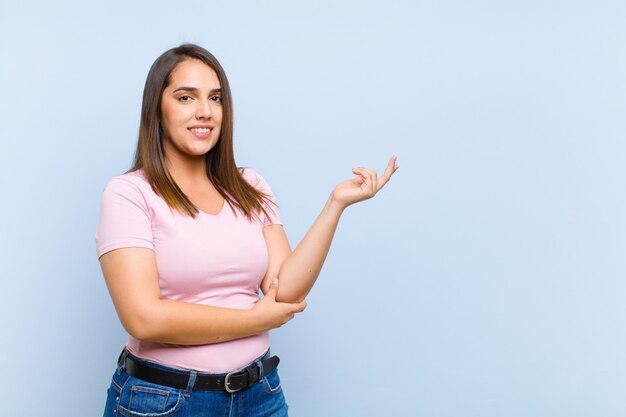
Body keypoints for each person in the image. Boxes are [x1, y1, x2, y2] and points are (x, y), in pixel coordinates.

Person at [96, 43, 398, 417]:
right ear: (158, 108)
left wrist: (334, 206)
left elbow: (285, 290)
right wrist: (256, 319)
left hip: (259, 395)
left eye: (216, 98)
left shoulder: (250, 186)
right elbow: (143, 317)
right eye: (186, 97)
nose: (204, 111)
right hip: (164, 401)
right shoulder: (130, 193)